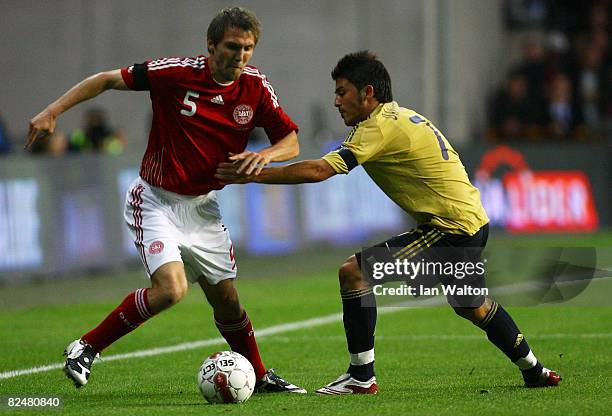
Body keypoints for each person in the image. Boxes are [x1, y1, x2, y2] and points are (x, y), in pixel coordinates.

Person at [216, 51, 562, 395]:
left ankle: (361, 377)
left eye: (342, 91)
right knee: (473, 305)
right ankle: (535, 370)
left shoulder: (377, 127)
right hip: (471, 220)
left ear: (368, 92)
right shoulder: (403, 116)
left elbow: (321, 170)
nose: (336, 102)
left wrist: (253, 175)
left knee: (354, 272)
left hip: (450, 227)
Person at [26, 7, 305, 394]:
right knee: (172, 289)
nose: (240, 56)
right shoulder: (176, 73)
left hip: (203, 207)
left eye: (248, 49)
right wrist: (53, 111)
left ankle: (258, 376)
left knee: (227, 301)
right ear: (211, 45)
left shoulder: (256, 88)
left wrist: (265, 156)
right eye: (232, 47)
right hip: (154, 200)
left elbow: (291, 140)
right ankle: (85, 347)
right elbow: (106, 79)